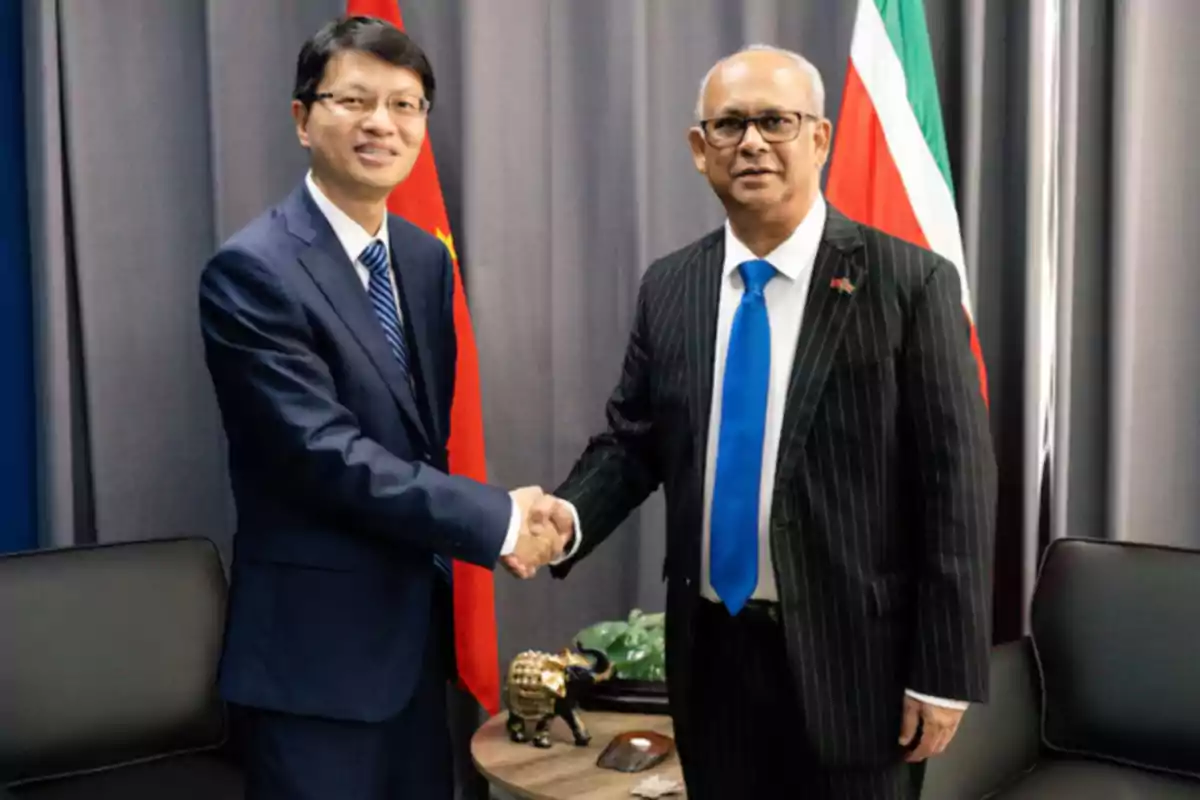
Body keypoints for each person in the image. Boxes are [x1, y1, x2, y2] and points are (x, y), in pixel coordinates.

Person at [536, 45, 997, 799]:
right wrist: (567, 516)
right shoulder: (671, 286)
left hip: (858, 664)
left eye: (776, 122)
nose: (751, 143)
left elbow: (958, 487)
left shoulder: (907, 282)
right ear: (699, 149)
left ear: (819, 138)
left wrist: (944, 672)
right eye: (729, 125)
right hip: (713, 654)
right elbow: (632, 440)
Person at [198, 17, 564, 799]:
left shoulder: (426, 260)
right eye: (355, 100)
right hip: (314, 667)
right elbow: (321, 454)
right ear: (303, 119)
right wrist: (498, 520)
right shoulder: (251, 272)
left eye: (406, 105)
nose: (382, 124)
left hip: (412, 651)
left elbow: (417, 446)